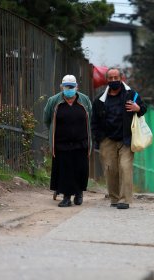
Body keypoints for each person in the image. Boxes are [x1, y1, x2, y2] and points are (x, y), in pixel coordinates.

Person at [91, 67, 147, 209]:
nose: (114, 80)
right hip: (107, 139)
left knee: (125, 167)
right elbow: (94, 122)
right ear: (107, 80)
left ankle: (125, 200)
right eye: (111, 78)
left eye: (116, 77)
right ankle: (114, 198)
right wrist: (99, 138)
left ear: (121, 78)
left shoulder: (131, 95)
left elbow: (143, 108)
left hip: (126, 139)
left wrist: (137, 108)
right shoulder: (99, 100)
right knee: (110, 170)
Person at [43, 74, 92, 207]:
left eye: (71, 86)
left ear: (77, 87)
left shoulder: (84, 100)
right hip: (62, 143)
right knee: (65, 169)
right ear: (61, 87)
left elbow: (90, 117)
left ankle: (79, 193)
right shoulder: (54, 101)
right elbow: (47, 119)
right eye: (66, 87)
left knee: (80, 168)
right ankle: (66, 197)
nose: (69, 89)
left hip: (81, 142)